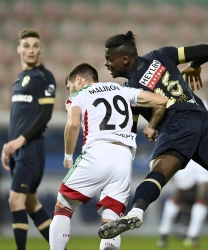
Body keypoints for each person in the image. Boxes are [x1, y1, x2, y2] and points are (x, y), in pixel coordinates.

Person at [98, 31, 208, 239]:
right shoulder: (161, 55)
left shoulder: (130, 90)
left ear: (125, 59)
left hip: (176, 124)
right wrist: (196, 65)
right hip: (203, 117)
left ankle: (136, 212)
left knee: (157, 172)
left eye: (108, 59)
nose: (106, 64)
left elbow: (130, 130)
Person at [48, 63, 167, 250]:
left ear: (78, 79)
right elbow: (160, 101)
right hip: (125, 157)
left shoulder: (80, 94)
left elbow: (72, 125)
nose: (71, 91)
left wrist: (68, 155)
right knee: (111, 219)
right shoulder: (122, 90)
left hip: (98, 150)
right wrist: (151, 126)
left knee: (63, 207)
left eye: (70, 86)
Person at [1, 28, 56, 250]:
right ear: (19, 49)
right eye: (26, 45)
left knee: (15, 200)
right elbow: (18, 118)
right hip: (17, 149)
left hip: (31, 148)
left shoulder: (44, 77)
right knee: (32, 205)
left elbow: (45, 115)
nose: (30, 50)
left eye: (35, 46)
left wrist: (20, 141)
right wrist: (9, 146)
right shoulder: (20, 78)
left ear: (40, 50)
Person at [156, 80, 208, 248]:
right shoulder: (194, 108)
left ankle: (192, 235)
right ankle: (164, 231)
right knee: (180, 196)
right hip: (191, 159)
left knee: (202, 196)